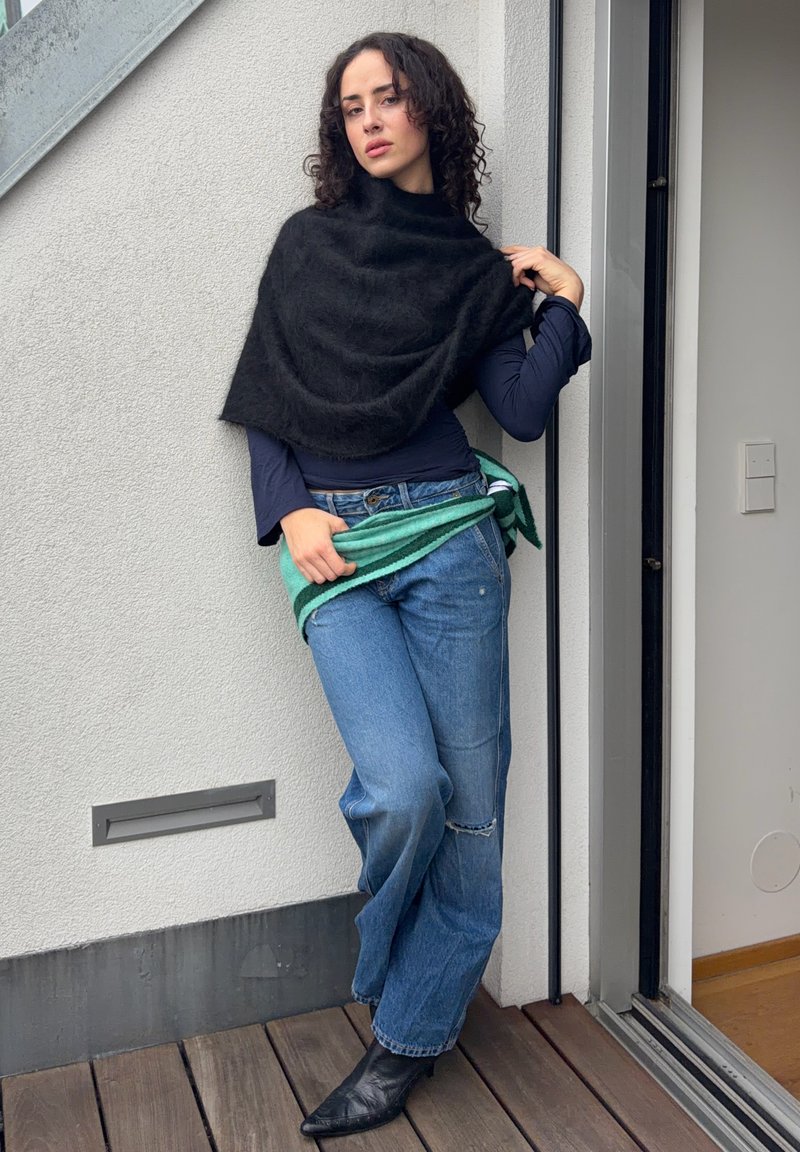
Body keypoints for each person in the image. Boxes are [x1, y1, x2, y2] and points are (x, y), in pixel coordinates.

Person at [219, 31, 591, 1139]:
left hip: (449, 545)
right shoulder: (307, 244)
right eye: (352, 106)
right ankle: (397, 969)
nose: (371, 119)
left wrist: (565, 307)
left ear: (431, 108)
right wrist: (289, 510)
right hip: (336, 549)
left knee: (470, 809)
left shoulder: (472, 270)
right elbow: (266, 395)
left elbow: (518, 412)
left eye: (389, 98)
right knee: (403, 789)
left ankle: (406, 1040)